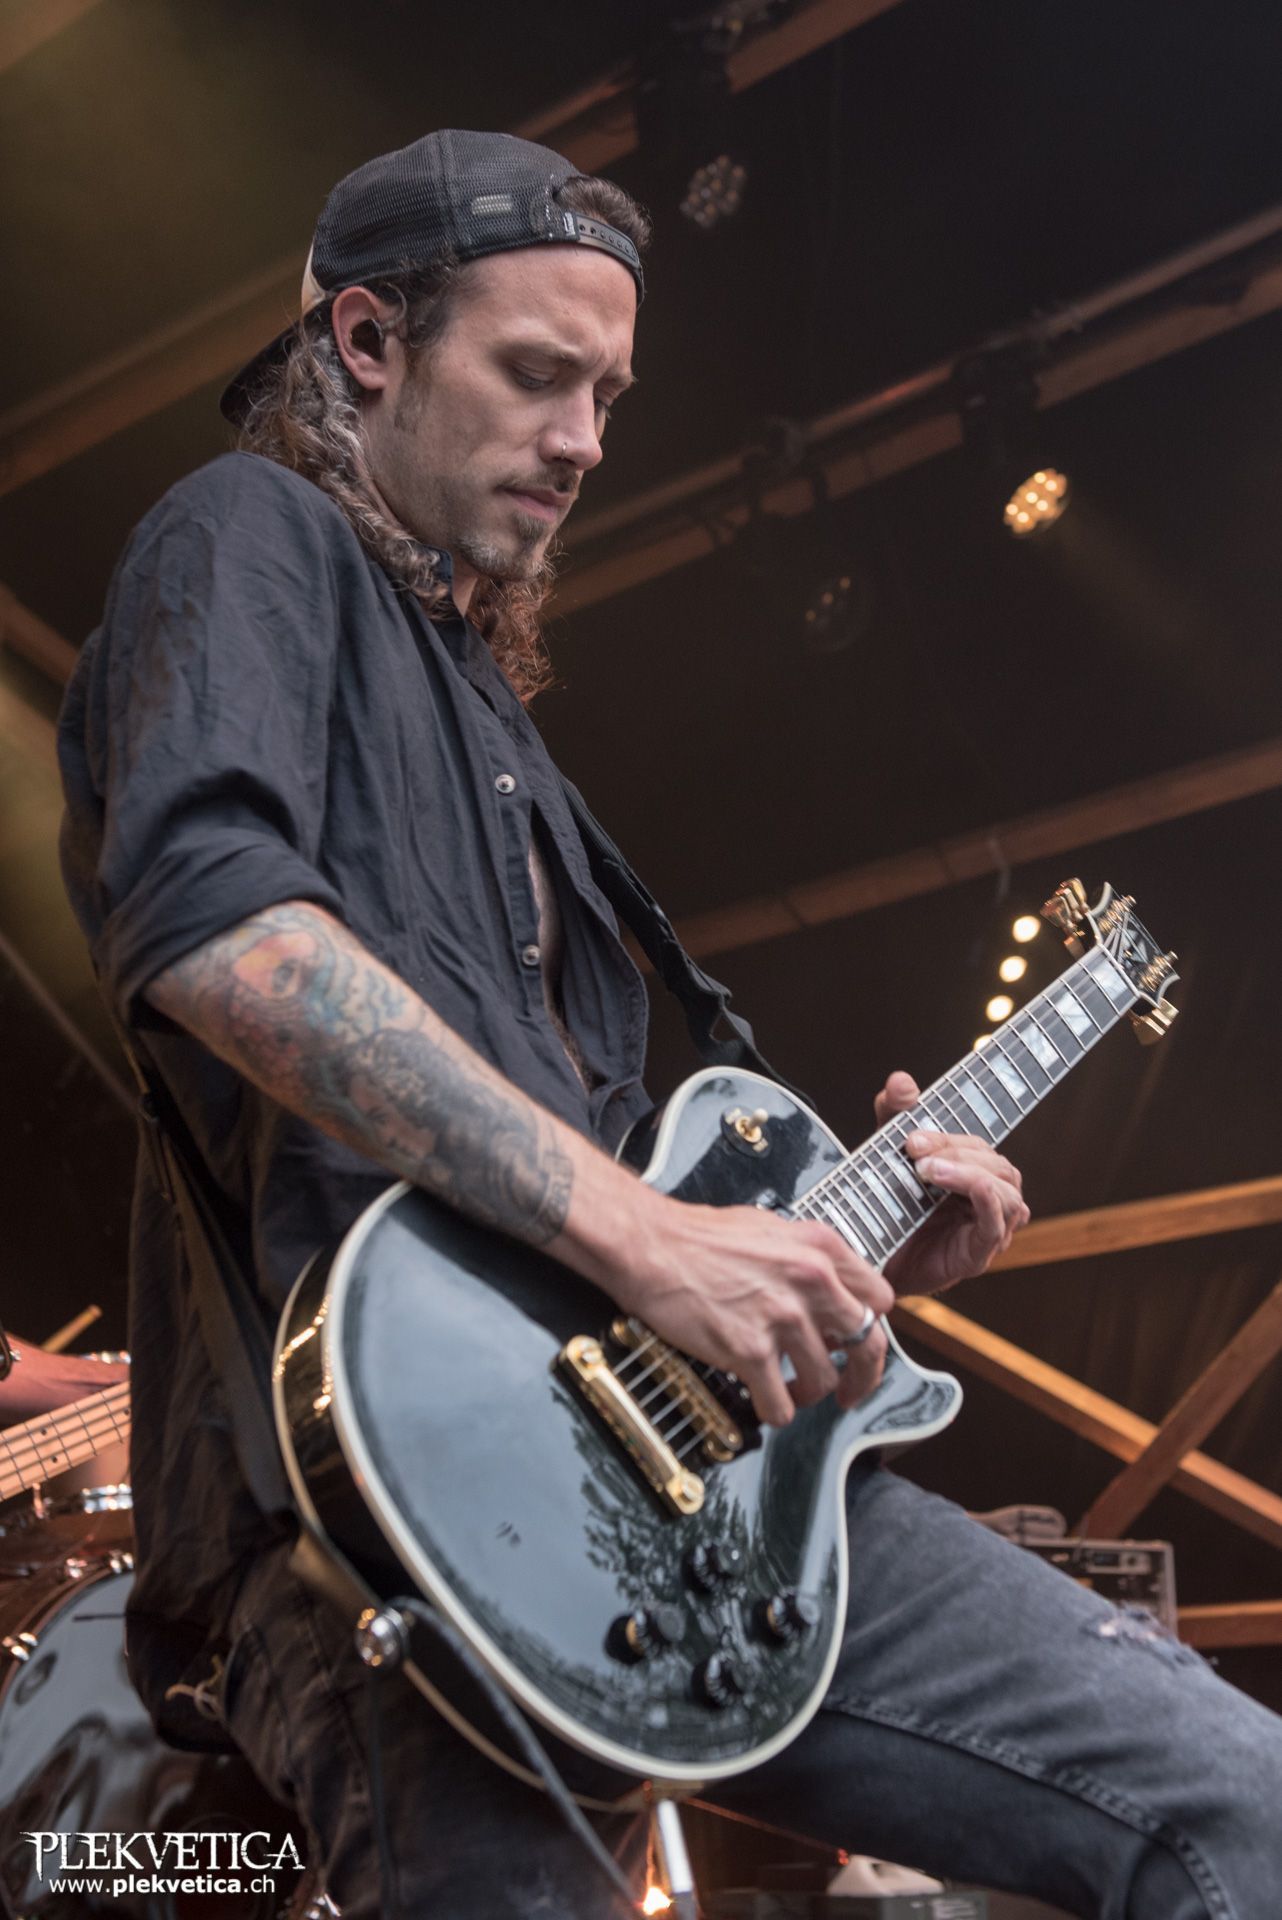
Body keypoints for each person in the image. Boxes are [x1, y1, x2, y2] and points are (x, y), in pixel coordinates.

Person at [57, 130, 1282, 1919]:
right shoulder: (245, 537)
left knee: (1246, 1809)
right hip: (381, 1512)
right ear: (367, 342)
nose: (582, 442)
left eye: (610, 397)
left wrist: (831, 1265)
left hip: (702, 1497)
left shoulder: (501, 730)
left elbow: (632, 1181)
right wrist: (649, 1239)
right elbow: (217, 928)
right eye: (534, 374)